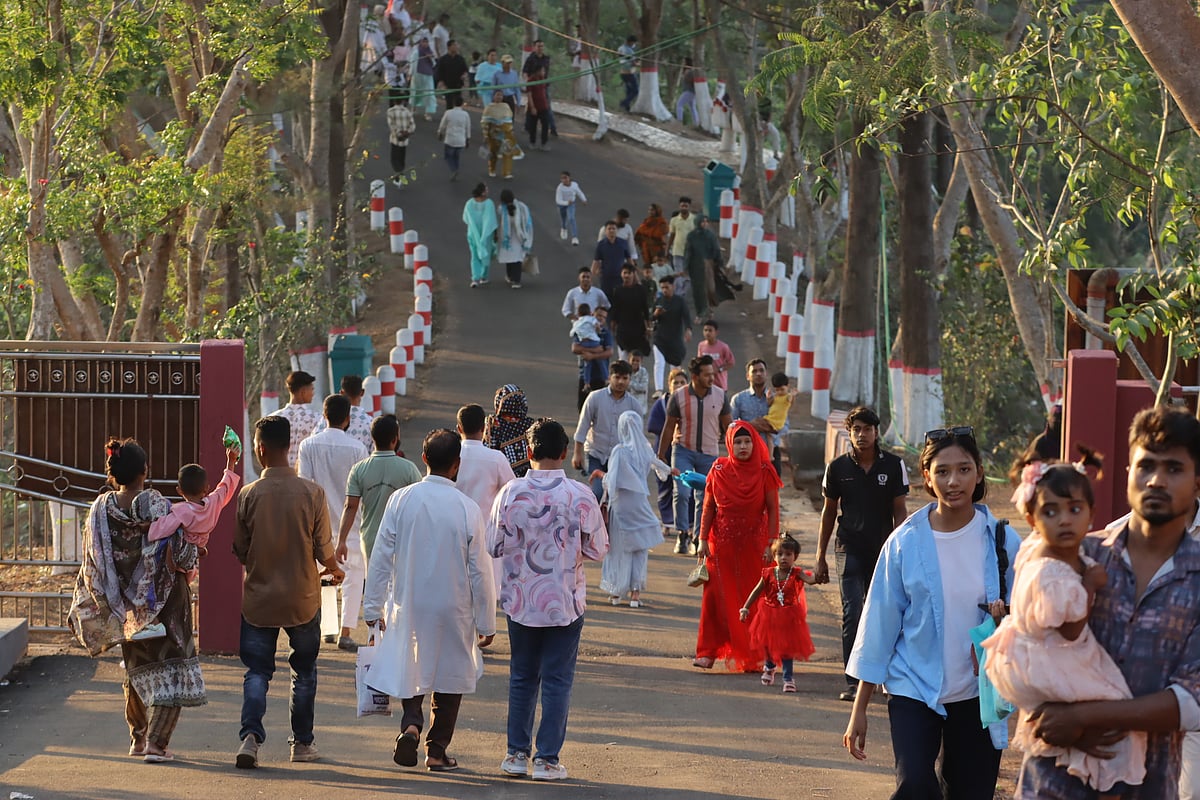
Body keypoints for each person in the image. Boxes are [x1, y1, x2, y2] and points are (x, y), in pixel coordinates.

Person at [1014, 407, 1200, 799]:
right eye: (1145, 465)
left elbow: (1191, 702)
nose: (1156, 480)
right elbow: (1020, 649)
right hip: (1052, 779)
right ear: (1127, 473)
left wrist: (1081, 718)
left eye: (1174, 469)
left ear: (1198, 482)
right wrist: (1052, 721)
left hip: (1145, 784)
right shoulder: (1072, 556)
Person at [843, 426, 1019, 798]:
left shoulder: (1002, 541)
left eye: (964, 469)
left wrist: (1006, 622)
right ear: (926, 477)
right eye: (942, 471)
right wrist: (859, 708)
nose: (953, 481)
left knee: (971, 791)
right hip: (913, 686)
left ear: (980, 472)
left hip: (979, 692)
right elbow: (879, 625)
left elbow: (1031, 617)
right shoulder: (905, 543)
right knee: (915, 786)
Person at [983, 455, 1145, 798]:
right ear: (1032, 518)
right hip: (1053, 659)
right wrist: (1090, 584)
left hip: (1028, 654)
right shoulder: (1054, 572)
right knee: (1114, 711)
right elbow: (1071, 631)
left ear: (1091, 513)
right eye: (1050, 512)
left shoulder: (1036, 549)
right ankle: (1107, 780)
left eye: (1074, 509)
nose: (1065, 521)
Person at [362, 429, 496, 773]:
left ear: (423, 459)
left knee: (412, 664)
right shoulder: (467, 508)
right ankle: (436, 750)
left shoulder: (402, 499)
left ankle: (410, 724)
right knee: (450, 676)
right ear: (457, 465)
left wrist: (372, 607)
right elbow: (481, 570)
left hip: (410, 603)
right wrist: (487, 622)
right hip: (455, 606)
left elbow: (381, 556)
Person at [66, 437, 206, 763]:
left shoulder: (101, 510)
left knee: (137, 668)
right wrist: (195, 552)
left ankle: (139, 739)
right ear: (146, 470)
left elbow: (93, 560)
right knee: (173, 668)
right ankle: (158, 745)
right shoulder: (155, 505)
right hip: (166, 605)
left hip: (125, 609)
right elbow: (183, 554)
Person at [487, 419, 609, 781]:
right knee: (557, 679)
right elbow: (599, 548)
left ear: (528, 453)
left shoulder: (510, 493)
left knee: (522, 676)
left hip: (521, 601)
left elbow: (494, 544)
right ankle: (547, 760)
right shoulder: (580, 494)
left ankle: (515, 754)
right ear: (561, 452)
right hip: (564, 600)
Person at [233, 415, 345, 769]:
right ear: (289, 448)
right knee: (305, 671)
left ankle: (250, 737)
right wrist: (334, 568)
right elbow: (322, 549)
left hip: (259, 601)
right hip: (303, 599)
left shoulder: (249, 494)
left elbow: (239, 548)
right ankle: (302, 744)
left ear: (261, 449)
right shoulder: (312, 493)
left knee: (257, 672)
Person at [814, 405, 909, 702]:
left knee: (882, 613)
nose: (861, 435)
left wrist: (901, 550)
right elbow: (828, 513)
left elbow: (900, 511)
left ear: (876, 432)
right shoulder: (838, 468)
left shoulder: (893, 466)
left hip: (883, 550)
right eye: (856, 430)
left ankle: (881, 675)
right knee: (852, 611)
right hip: (848, 547)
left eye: (867, 429)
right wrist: (820, 556)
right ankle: (853, 681)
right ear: (849, 433)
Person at [692, 420, 781, 671]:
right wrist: (701, 539)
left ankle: (755, 652)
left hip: (756, 544)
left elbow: (773, 509)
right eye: (738, 442)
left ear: (755, 443)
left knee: (754, 598)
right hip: (721, 544)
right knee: (716, 598)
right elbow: (708, 507)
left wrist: (772, 543)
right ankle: (708, 652)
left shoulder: (765, 472)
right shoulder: (718, 469)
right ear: (729, 444)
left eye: (747, 441)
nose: (743, 446)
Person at [297, 395, 370, 652]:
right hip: (350, 521)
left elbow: (304, 484)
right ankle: (346, 631)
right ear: (348, 418)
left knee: (323, 574)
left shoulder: (308, 446)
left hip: (318, 523)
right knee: (353, 577)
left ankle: (326, 627)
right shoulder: (358, 449)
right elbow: (360, 490)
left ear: (324, 416)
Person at [590, 410, 676, 607]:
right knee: (639, 547)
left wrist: (600, 474)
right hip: (640, 505)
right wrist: (671, 470)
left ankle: (616, 592)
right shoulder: (645, 451)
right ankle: (635, 593)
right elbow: (660, 467)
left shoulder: (620, 451)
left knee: (619, 549)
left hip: (621, 507)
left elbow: (612, 481)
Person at [657, 354, 731, 555]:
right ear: (695, 376)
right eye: (707, 375)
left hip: (709, 454)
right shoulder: (679, 396)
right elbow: (669, 425)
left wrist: (734, 455)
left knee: (705, 498)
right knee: (681, 493)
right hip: (683, 451)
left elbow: (728, 426)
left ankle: (699, 538)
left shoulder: (720, 395)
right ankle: (682, 533)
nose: (711, 379)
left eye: (713, 375)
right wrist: (661, 454)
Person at [339, 413, 422, 569]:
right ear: (395, 440)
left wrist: (342, 541)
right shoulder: (409, 468)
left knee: (374, 588)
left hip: (371, 540)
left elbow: (350, 506)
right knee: (398, 589)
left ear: (372, 438)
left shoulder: (359, 469)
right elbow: (420, 505)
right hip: (401, 540)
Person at [739, 533, 817, 693]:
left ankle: (788, 678)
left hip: (789, 617)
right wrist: (745, 607)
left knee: (786, 648)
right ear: (774, 555)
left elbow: (811, 580)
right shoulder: (768, 573)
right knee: (767, 644)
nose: (784, 558)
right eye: (779, 554)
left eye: (788, 554)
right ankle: (770, 666)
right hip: (768, 615)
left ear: (795, 556)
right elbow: (756, 591)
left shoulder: (796, 573)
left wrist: (820, 573)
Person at [455, 404, 517, 588]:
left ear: (459, 428)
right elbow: (512, 492)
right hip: (486, 532)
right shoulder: (496, 458)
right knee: (485, 593)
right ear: (484, 428)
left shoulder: (450, 454)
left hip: (453, 531)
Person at [147, 446, 241, 563]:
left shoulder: (181, 511)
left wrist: (146, 528)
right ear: (207, 488)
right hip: (193, 561)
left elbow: (162, 528)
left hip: (180, 557)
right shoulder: (213, 504)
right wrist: (231, 461)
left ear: (179, 491)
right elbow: (225, 486)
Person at [572, 360, 641, 500]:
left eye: (625, 378)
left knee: (616, 498)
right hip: (595, 454)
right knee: (596, 493)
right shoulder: (595, 397)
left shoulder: (634, 405)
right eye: (617, 377)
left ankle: (609, 522)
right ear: (610, 377)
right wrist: (577, 453)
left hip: (619, 459)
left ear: (630, 379)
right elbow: (583, 426)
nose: (620, 382)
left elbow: (637, 436)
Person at [648, 368, 689, 531]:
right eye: (675, 382)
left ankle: (685, 524)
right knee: (665, 488)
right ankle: (667, 522)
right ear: (669, 385)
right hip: (663, 450)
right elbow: (652, 425)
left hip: (684, 450)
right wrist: (670, 426)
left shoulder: (689, 402)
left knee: (683, 489)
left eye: (682, 382)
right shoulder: (662, 403)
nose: (679, 385)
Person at [730, 358, 784, 474]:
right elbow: (731, 426)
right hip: (746, 452)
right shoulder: (738, 399)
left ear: (766, 374)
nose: (758, 374)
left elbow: (783, 426)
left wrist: (752, 426)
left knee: (772, 490)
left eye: (761, 370)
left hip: (772, 452)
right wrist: (751, 425)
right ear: (747, 376)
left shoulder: (777, 399)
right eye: (754, 371)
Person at [269, 370, 320, 468]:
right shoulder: (317, 419)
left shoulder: (273, 418)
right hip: (304, 476)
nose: (313, 393)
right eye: (312, 389)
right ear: (303, 392)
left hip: (279, 474)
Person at [484, 383, 537, 477]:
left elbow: (487, 452)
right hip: (527, 481)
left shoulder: (493, 424)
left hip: (498, 480)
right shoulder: (531, 425)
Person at [310, 374, 374, 451]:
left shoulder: (328, 418)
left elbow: (313, 441)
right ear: (362, 392)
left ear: (341, 393)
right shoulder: (370, 423)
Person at [651, 276, 692, 393]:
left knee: (675, 365)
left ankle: (677, 389)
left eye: (666, 287)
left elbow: (686, 316)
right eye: (662, 287)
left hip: (675, 339)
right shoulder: (659, 301)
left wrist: (688, 329)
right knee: (659, 363)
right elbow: (651, 318)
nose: (664, 290)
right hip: (660, 339)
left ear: (673, 287)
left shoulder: (680, 301)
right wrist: (656, 314)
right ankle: (659, 389)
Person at [684, 214, 726, 320]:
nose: (705, 224)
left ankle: (709, 310)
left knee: (710, 289)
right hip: (695, 266)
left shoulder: (710, 235)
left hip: (708, 265)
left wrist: (720, 264)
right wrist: (686, 266)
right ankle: (700, 313)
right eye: (703, 222)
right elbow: (688, 251)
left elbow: (716, 250)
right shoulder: (691, 236)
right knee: (698, 291)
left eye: (707, 221)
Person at [571, 306, 614, 408]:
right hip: (585, 376)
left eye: (603, 317)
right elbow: (575, 348)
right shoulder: (582, 328)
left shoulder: (606, 333)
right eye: (598, 315)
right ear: (592, 315)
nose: (600, 318)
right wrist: (595, 351)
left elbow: (609, 352)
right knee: (583, 407)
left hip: (600, 377)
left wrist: (591, 356)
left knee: (599, 408)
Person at [608, 263, 652, 360]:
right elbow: (615, 310)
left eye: (629, 273)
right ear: (621, 274)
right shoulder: (618, 291)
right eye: (624, 273)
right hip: (623, 330)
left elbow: (645, 310)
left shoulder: (640, 290)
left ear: (633, 274)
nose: (627, 275)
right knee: (623, 358)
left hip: (638, 329)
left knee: (636, 359)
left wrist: (648, 327)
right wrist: (613, 325)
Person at [495, 187, 533, 289]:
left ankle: (511, 277)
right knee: (516, 259)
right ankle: (515, 280)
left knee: (510, 259)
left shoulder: (502, 209)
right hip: (518, 238)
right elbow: (528, 222)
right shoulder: (522, 207)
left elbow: (498, 217)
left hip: (509, 238)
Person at [462, 182, 496, 288]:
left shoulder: (469, 204)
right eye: (486, 189)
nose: (488, 191)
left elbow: (465, 219)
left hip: (473, 234)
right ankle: (483, 276)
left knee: (474, 256)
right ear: (482, 192)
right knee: (486, 256)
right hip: (486, 235)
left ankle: (475, 278)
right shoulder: (489, 203)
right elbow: (492, 221)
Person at [482, 90, 521, 180]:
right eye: (497, 95)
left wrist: (511, 130)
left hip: (506, 133)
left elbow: (509, 120)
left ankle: (507, 172)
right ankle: (492, 169)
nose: (499, 97)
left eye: (501, 95)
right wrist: (485, 135)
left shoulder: (506, 106)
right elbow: (485, 122)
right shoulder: (489, 108)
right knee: (493, 152)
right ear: (493, 96)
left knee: (508, 152)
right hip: (494, 133)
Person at [522, 39, 557, 136]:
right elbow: (525, 72)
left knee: (547, 107)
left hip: (543, 86)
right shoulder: (530, 59)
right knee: (531, 106)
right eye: (538, 46)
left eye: (542, 46)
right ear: (534, 47)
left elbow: (546, 73)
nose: (540, 48)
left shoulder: (546, 59)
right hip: (533, 87)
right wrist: (528, 82)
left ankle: (553, 128)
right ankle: (527, 126)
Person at [592, 220, 633, 299]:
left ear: (616, 230)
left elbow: (629, 259)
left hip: (620, 277)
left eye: (613, 228)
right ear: (605, 231)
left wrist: (633, 275)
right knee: (606, 299)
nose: (611, 230)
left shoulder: (623, 243)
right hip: (606, 278)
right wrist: (592, 276)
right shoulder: (601, 245)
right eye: (609, 229)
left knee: (620, 298)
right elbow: (596, 261)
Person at [569, 304, 606, 389]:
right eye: (599, 315)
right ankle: (606, 378)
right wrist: (595, 350)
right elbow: (596, 325)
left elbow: (572, 333)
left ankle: (586, 383)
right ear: (591, 313)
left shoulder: (577, 322)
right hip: (594, 342)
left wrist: (588, 352)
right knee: (600, 361)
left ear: (578, 314)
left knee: (587, 364)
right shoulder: (592, 319)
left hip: (583, 342)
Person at [436, 95, 470, 181]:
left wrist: (440, 133)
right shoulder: (465, 114)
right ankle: (456, 169)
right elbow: (468, 127)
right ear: (462, 104)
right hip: (461, 140)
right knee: (456, 157)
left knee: (448, 156)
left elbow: (442, 124)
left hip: (450, 139)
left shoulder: (448, 112)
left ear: (454, 103)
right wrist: (468, 139)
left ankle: (454, 170)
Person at [696, 319, 734, 391]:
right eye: (705, 330)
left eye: (710, 330)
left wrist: (719, 369)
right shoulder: (701, 345)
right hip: (705, 385)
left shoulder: (723, 347)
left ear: (716, 332)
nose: (707, 333)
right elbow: (699, 362)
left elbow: (731, 363)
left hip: (720, 385)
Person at [386, 92, 416, 186]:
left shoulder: (390, 111)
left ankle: (399, 174)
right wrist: (407, 132)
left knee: (394, 159)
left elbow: (391, 125)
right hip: (405, 140)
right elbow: (413, 125)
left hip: (395, 139)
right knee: (402, 158)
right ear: (403, 101)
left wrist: (399, 133)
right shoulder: (407, 112)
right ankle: (400, 173)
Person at [666, 196, 697, 278]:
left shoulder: (695, 219)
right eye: (682, 206)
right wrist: (667, 249)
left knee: (688, 274)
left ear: (689, 207)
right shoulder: (674, 220)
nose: (684, 208)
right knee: (678, 274)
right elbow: (672, 235)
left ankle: (687, 290)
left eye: (686, 206)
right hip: (677, 251)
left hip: (690, 252)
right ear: (679, 206)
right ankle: (679, 291)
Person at [410, 33, 438, 120]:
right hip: (417, 75)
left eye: (426, 42)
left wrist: (430, 57)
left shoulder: (430, 52)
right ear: (420, 42)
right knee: (416, 92)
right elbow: (413, 64)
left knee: (429, 93)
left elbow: (434, 64)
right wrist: (410, 74)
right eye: (423, 42)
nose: (425, 44)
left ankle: (428, 112)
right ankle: (413, 108)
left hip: (428, 74)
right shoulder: (416, 52)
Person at [434, 39, 468, 109]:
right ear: (449, 47)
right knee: (449, 104)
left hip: (458, 85)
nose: (456, 47)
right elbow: (438, 73)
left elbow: (465, 70)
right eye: (454, 45)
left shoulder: (460, 59)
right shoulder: (443, 59)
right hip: (447, 86)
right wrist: (441, 84)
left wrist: (464, 76)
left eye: (457, 45)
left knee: (458, 104)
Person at [525, 65, 552, 151]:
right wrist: (532, 107)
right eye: (542, 71)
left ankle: (544, 143)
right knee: (533, 126)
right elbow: (529, 95)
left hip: (543, 106)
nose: (544, 72)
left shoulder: (543, 80)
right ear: (537, 71)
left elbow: (544, 92)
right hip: (534, 107)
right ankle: (532, 142)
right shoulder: (530, 81)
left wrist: (547, 104)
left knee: (545, 125)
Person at [556, 171, 588, 246]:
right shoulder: (560, 188)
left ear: (569, 178)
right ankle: (564, 229)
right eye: (562, 178)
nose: (564, 180)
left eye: (566, 178)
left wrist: (584, 199)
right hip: (562, 205)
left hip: (571, 205)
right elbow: (558, 200)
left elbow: (579, 192)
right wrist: (566, 203)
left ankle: (575, 237)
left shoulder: (574, 185)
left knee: (571, 218)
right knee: (563, 219)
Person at [617, 35, 639, 111]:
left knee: (629, 90)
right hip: (629, 73)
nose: (634, 45)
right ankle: (624, 103)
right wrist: (639, 64)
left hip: (622, 73)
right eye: (634, 43)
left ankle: (627, 108)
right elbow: (633, 63)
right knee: (635, 91)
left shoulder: (620, 48)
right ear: (631, 42)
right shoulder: (629, 51)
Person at [674, 56, 698, 124]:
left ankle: (679, 120)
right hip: (691, 92)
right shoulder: (689, 71)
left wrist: (685, 75)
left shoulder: (689, 71)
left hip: (689, 91)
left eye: (684, 62)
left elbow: (689, 80)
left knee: (679, 104)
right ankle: (696, 123)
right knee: (692, 107)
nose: (683, 63)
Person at [628, 350, 650, 415]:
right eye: (633, 360)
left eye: (637, 361)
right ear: (629, 360)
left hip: (640, 403)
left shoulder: (644, 372)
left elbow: (643, 387)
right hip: (628, 402)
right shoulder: (626, 371)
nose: (635, 362)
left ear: (641, 361)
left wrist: (630, 384)